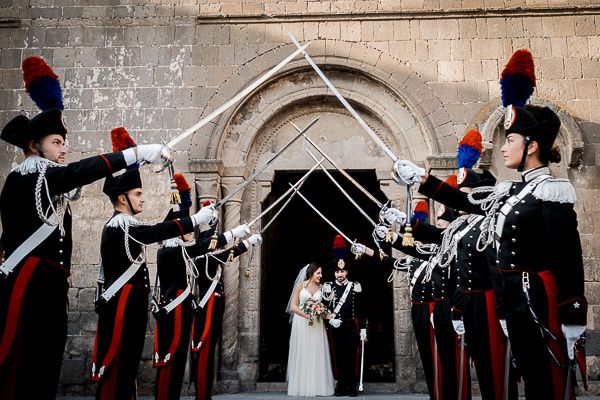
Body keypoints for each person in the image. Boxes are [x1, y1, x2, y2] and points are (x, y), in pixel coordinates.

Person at [391, 49, 586, 399]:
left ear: (532, 145)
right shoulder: (509, 191)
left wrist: (573, 315)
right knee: (526, 378)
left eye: (511, 139)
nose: (505, 146)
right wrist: (422, 179)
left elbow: (568, 257)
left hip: (537, 300)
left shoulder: (552, 191)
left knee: (547, 383)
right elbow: (467, 201)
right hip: (511, 304)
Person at [0, 56, 169, 399]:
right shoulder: (28, 175)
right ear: (35, 146)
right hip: (28, 284)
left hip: (48, 287)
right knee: (24, 367)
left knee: (46, 365)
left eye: (63, 143)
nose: (63, 150)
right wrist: (135, 154)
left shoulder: (46, 178)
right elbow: (77, 173)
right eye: (56, 143)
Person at [91, 138, 217, 399]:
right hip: (123, 305)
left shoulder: (126, 225)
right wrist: (194, 219)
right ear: (121, 197)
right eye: (138, 194)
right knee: (119, 366)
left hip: (131, 304)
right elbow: (156, 231)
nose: (143, 199)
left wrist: (189, 210)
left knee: (127, 368)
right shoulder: (120, 225)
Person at [152, 172, 251, 400]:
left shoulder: (181, 251)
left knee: (176, 365)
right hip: (173, 312)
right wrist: (235, 235)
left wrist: (210, 220)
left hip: (182, 310)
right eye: (184, 231)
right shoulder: (169, 251)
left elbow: (203, 243)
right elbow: (205, 247)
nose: (189, 233)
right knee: (170, 363)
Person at [191, 232, 262, 400]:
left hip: (214, 309)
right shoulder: (203, 259)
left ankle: (205, 394)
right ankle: (202, 395)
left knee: (209, 354)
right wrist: (248, 242)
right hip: (207, 310)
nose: (216, 244)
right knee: (204, 354)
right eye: (213, 242)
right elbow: (227, 255)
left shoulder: (209, 258)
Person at [321, 235, 366, 397]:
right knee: (337, 356)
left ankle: (352, 387)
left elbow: (361, 308)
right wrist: (330, 319)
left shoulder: (355, 286)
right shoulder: (328, 287)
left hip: (352, 325)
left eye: (343, 271)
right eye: (338, 271)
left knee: (352, 356)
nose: (340, 274)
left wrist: (363, 328)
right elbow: (324, 307)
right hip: (336, 325)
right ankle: (340, 386)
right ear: (334, 273)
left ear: (347, 272)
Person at [286, 262, 335, 397]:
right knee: (303, 351)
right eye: (318, 273)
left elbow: (326, 305)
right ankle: (302, 386)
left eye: (321, 273)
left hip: (317, 324)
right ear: (311, 273)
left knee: (317, 351)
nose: (321, 275)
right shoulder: (300, 286)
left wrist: (327, 315)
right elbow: (293, 306)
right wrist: (306, 315)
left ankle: (318, 386)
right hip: (301, 323)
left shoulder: (322, 287)